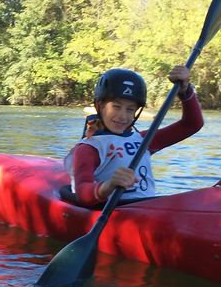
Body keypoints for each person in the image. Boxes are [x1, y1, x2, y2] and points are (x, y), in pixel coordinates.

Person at [63, 65, 203, 208]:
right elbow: (82, 193)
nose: (123, 116)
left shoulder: (145, 140)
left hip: (147, 209)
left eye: (130, 109)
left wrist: (186, 91)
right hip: (112, 213)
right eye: (116, 107)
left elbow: (192, 124)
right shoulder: (89, 148)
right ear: (100, 106)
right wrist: (108, 186)